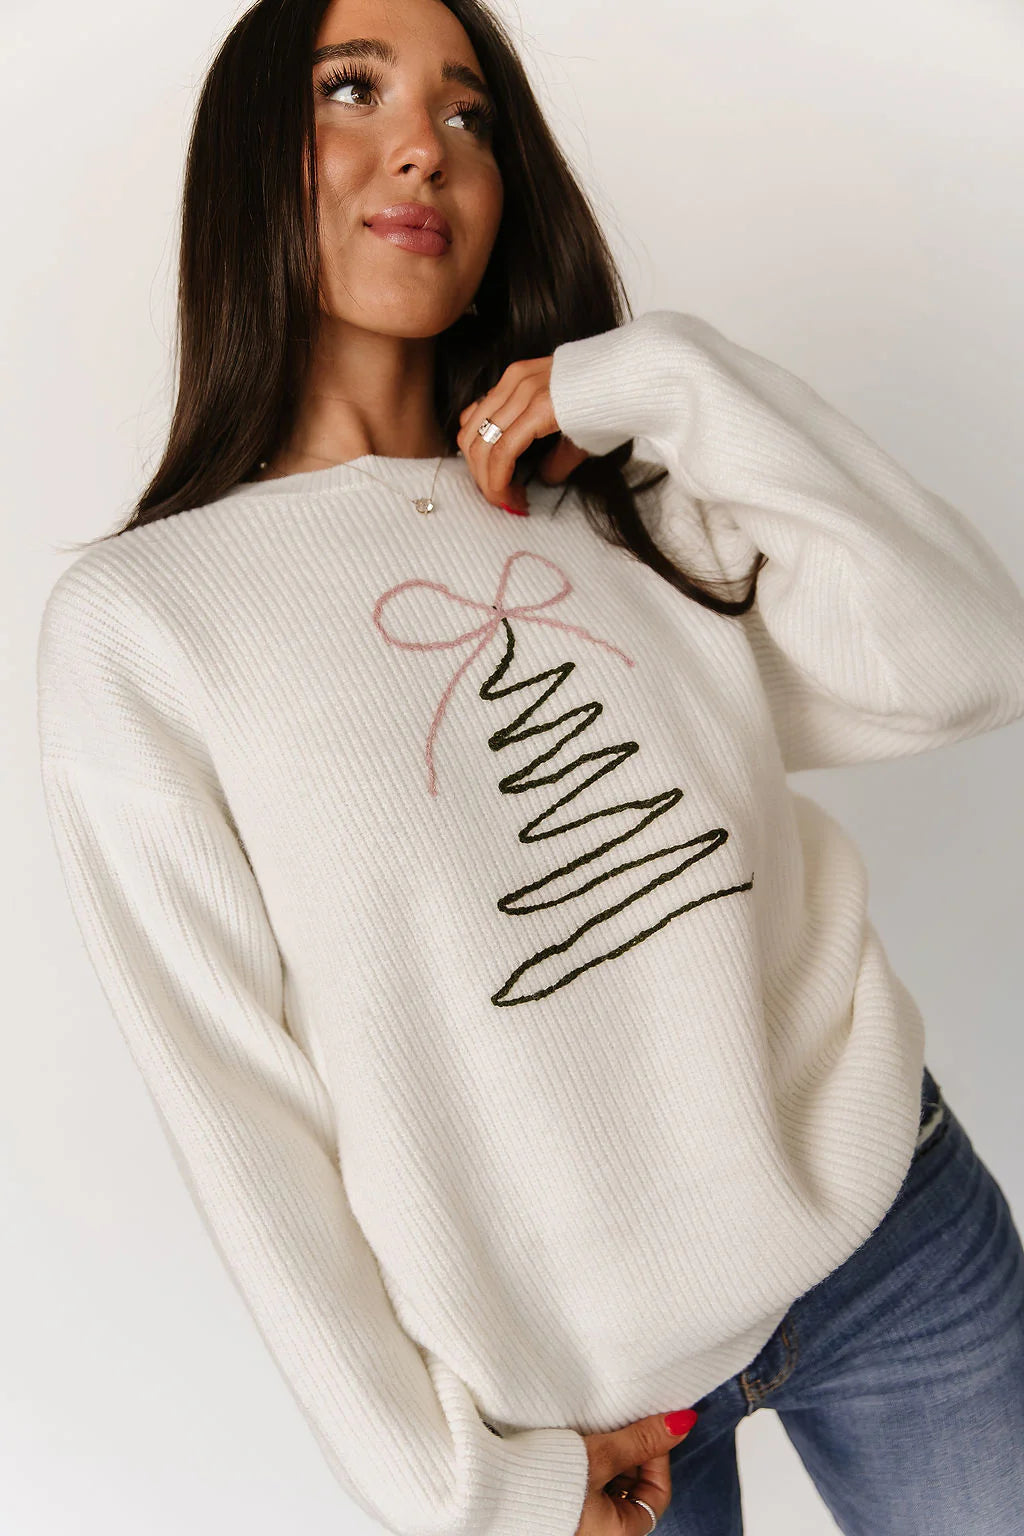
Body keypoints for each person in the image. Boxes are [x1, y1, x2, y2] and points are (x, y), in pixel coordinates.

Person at [34, 0, 1024, 1531]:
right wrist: (471, 1494)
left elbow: (978, 658)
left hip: (895, 1241)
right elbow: (239, 1115)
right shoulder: (148, 627)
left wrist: (671, 380)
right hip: (585, 1406)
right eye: (351, 90)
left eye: (469, 115)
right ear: (246, 157)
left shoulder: (614, 492)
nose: (422, 147)